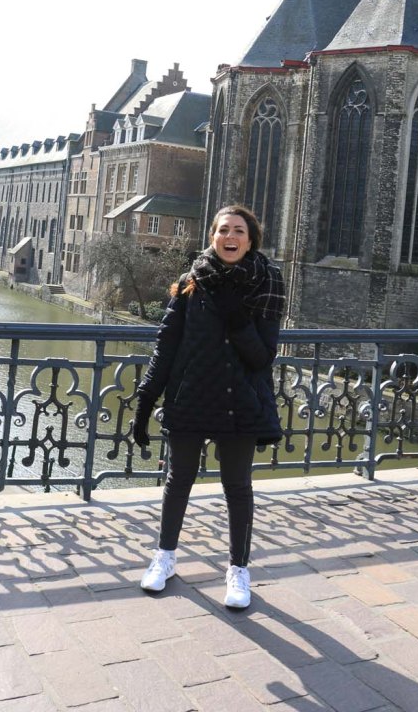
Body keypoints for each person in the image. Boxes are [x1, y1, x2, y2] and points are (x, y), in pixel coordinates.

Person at [132, 204, 284, 609]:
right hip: (192, 396)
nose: (229, 237)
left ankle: (238, 569)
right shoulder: (190, 282)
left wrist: (239, 322)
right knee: (178, 480)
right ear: (213, 237)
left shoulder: (267, 283)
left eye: (238, 231)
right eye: (222, 231)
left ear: (250, 240)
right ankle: (164, 557)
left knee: (237, 487)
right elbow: (167, 345)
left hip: (240, 401)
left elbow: (264, 357)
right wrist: (147, 398)